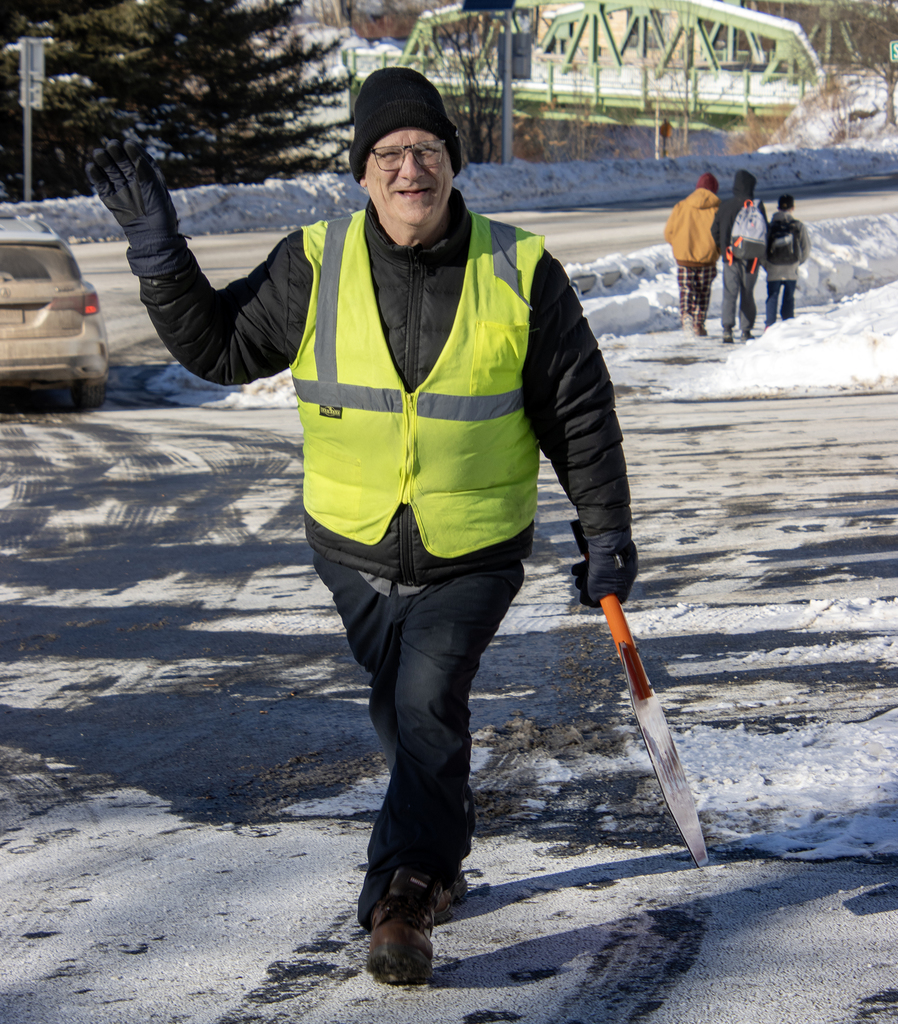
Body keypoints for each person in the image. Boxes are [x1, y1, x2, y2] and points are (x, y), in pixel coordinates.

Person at [85, 67, 637, 987]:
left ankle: (400, 900)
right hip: (351, 550)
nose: (408, 168)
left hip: (475, 551)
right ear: (361, 171)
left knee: (423, 705)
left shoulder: (520, 268)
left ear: (454, 164)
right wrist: (156, 247)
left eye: (426, 149)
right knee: (407, 717)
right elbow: (219, 348)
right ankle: (441, 857)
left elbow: (578, 409)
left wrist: (605, 530)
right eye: (388, 153)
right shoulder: (317, 260)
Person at [710, 169, 767, 344]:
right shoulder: (756, 206)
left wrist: (724, 247)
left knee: (730, 293)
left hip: (731, 257)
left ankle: (727, 329)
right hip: (752, 258)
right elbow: (766, 232)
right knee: (747, 293)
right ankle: (746, 330)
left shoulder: (725, 206)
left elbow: (714, 230)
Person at [663, 172, 720, 336]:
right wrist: (717, 250)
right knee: (704, 291)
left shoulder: (681, 206)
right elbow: (721, 235)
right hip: (707, 259)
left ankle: (686, 314)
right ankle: (699, 324)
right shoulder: (717, 208)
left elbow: (669, 232)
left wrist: (679, 244)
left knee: (686, 288)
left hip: (684, 257)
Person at [763, 193, 811, 328]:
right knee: (789, 298)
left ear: (778, 208)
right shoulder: (797, 225)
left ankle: (770, 326)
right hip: (791, 268)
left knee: (772, 297)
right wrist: (797, 262)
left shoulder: (770, 226)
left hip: (773, 267)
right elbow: (806, 247)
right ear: (792, 208)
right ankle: (788, 326)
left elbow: (762, 248)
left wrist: (767, 264)